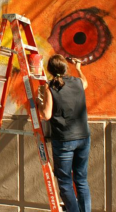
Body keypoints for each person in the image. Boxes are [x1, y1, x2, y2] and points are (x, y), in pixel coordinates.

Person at [37, 54, 91, 212]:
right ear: (66, 68)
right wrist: (79, 68)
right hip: (83, 138)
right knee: (81, 180)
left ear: (50, 70)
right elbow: (85, 83)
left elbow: (46, 115)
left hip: (64, 140)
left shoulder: (50, 87)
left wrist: (38, 103)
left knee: (65, 181)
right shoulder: (77, 82)